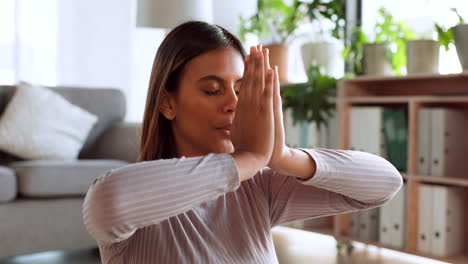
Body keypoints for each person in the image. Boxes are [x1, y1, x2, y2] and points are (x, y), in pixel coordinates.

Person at [82, 21, 402, 264]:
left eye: (239, 88)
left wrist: (283, 156)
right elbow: (109, 201)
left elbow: (385, 183)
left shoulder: (257, 190)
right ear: (167, 103)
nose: (233, 103)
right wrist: (251, 158)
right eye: (212, 90)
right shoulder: (135, 199)